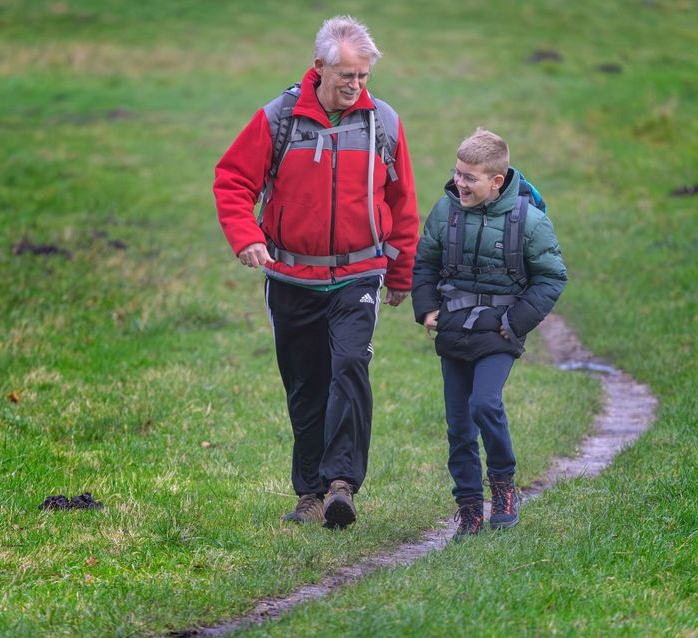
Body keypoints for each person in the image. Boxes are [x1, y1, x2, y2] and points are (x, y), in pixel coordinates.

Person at [214, 16, 418, 528]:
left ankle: (342, 485)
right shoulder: (278, 119)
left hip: (359, 274)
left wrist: (401, 274)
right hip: (290, 277)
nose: (355, 86)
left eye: (364, 76)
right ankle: (309, 493)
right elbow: (233, 179)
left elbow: (403, 202)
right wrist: (247, 238)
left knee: (350, 366)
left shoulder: (384, 124)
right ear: (319, 67)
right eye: (347, 75)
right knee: (306, 384)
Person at [411, 129, 566, 539]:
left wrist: (514, 323)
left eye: (469, 177)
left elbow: (551, 278)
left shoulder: (530, 222)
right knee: (458, 426)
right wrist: (427, 307)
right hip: (453, 329)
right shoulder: (445, 212)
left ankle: (503, 484)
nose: (458, 183)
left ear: (497, 181)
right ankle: (468, 507)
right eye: (457, 173)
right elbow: (425, 262)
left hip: (499, 331)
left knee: (484, 404)